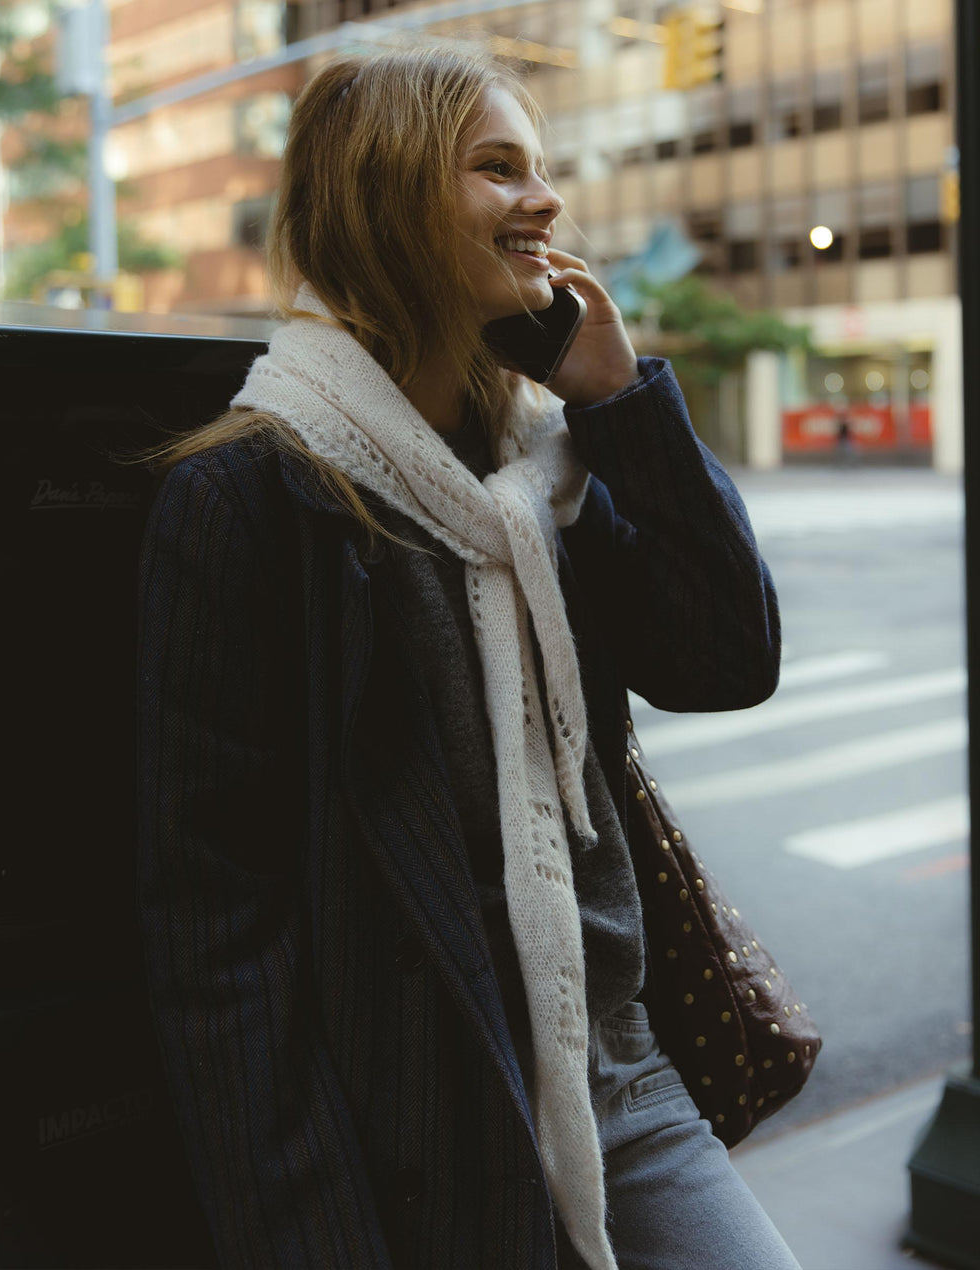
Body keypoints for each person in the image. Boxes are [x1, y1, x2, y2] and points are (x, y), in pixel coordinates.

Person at [136, 39, 798, 1270]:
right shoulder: (248, 500)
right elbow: (218, 933)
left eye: (539, 170)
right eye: (497, 169)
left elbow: (727, 659)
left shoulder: (531, 477)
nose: (544, 202)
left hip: (616, 1072)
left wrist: (619, 407)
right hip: (422, 1124)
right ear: (386, 197)